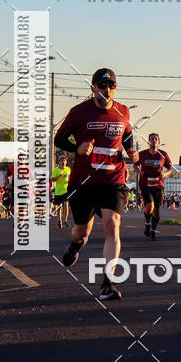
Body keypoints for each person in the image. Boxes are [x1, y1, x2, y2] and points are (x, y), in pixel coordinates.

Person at [54, 68, 138, 300]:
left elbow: (127, 133)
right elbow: (58, 139)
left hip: (113, 178)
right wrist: (76, 148)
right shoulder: (78, 112)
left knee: (113, 223)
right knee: (83, 231)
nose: (107, 90)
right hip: (83, 182)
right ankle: (74, 245)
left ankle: (108, 283)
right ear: (93, 89)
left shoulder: (123, 111)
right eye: (102, 86)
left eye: (111, 85)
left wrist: (131, 150)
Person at [136, 133, 173, 241]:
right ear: (148, 141)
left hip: (158, 186)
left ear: (159, 142)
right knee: (150, 206)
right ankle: (147, 224)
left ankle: (153, 230)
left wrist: (165, 174)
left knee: (157, 210)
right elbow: (135, 163)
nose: (153, 140)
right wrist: (139, 172)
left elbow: (170, 168)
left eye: (155, 139)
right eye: (151, 139)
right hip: (145, 184)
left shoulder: (163, 154)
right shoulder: (142, 154)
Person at [50, 154, 71, 228]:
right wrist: (57, 177)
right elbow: (52, 179)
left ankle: (65, 221)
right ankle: (59, 221)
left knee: (66, 205)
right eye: (62, 160)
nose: (63, 162)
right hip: (58, 191)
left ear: (66, 161)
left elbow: (70, 178)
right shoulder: (56, 170)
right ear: (59, 162)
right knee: (59, 207)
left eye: (64, 160)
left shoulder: (68, 169)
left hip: (66, 190)